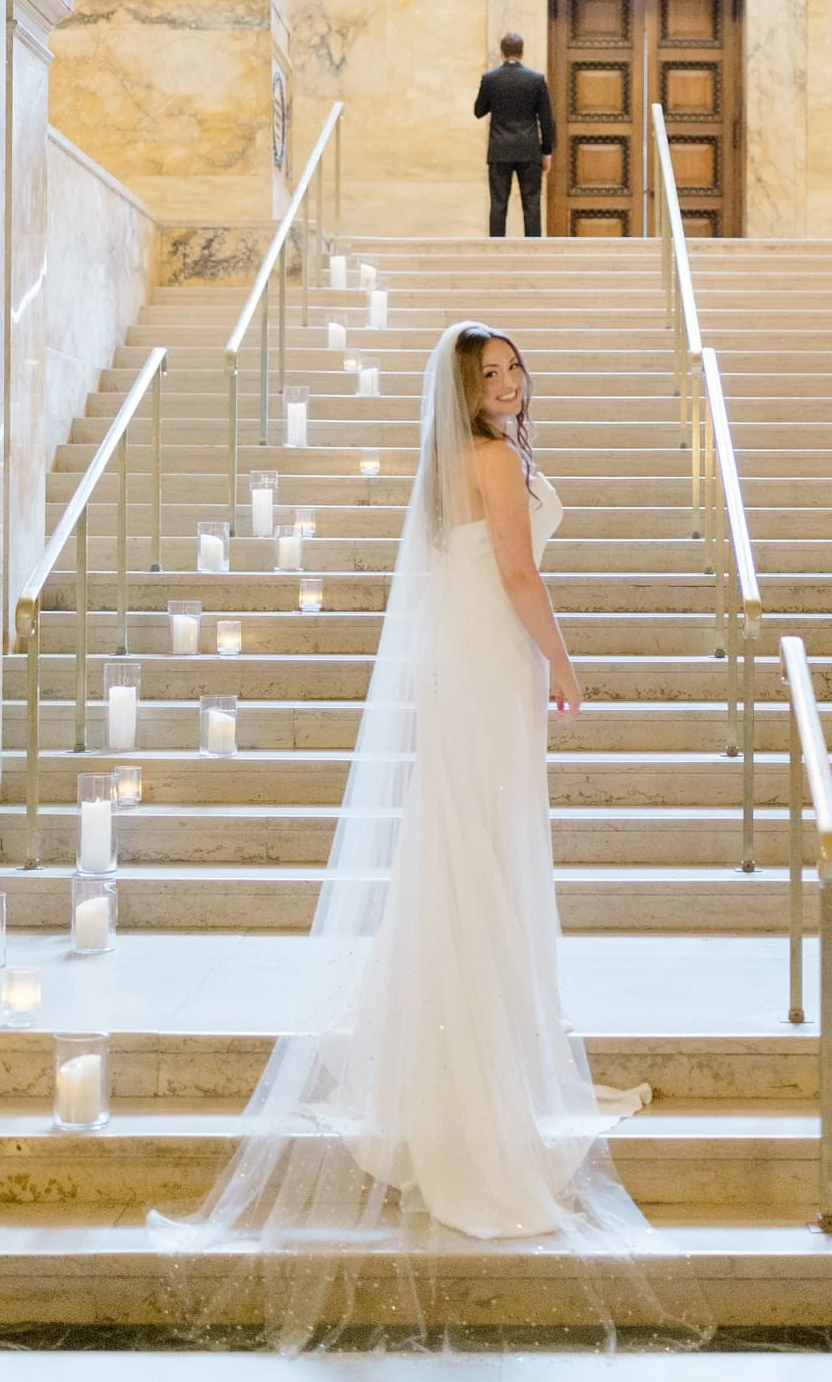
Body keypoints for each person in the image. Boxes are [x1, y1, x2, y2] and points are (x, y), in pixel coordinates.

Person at [150, 322, 680, 1345]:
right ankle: (472, 1083)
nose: (510, 381)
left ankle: (448, 1054)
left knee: (464, 846)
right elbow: (518, 576)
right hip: (491, 660)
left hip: (470, 662)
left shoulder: (466, 457)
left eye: (515, 366)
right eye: (491, 373)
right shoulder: (490, 459)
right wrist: (564, 662)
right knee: (478, 848)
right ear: (464, 388)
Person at [474, 33, 556, 239]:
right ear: (522, 52)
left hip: (500, 149)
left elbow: (478, 111)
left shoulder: (490, 79)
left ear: (501, 53)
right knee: (532, 203)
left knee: (498, 203)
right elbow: (546, 119)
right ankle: (533, 248)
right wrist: (547, 152)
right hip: (529, 149)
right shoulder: (536, 80)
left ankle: (496, 248)